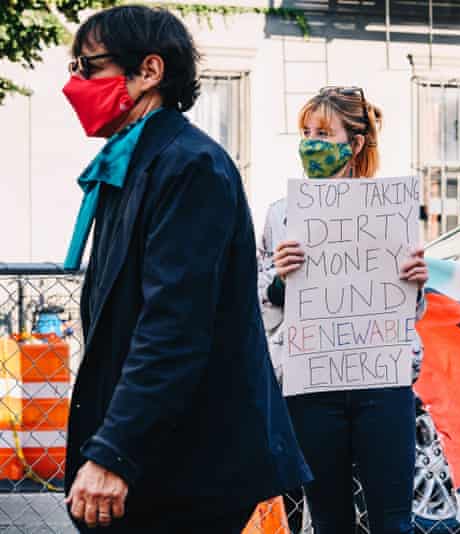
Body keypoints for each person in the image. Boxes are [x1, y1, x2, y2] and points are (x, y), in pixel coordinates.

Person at [61, 6, 310, 532]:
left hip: (189, 467)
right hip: (162, 455)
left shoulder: (189, 165)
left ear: (149, 71)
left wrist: (113, 453)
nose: (74, 84)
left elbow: (173, 329)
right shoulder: (132, 163)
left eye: (88, 67)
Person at [257, 86, 427, 534]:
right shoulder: (281, 215)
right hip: (312, 382)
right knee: (330, 520)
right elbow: (261, 303)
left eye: (324, 133)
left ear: (354, 144)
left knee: (393, 521)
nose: (311, 142)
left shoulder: (392, 211)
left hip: (381, 380)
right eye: (306, 131)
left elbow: (410, 312)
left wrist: (414, 280)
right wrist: (277, 281)